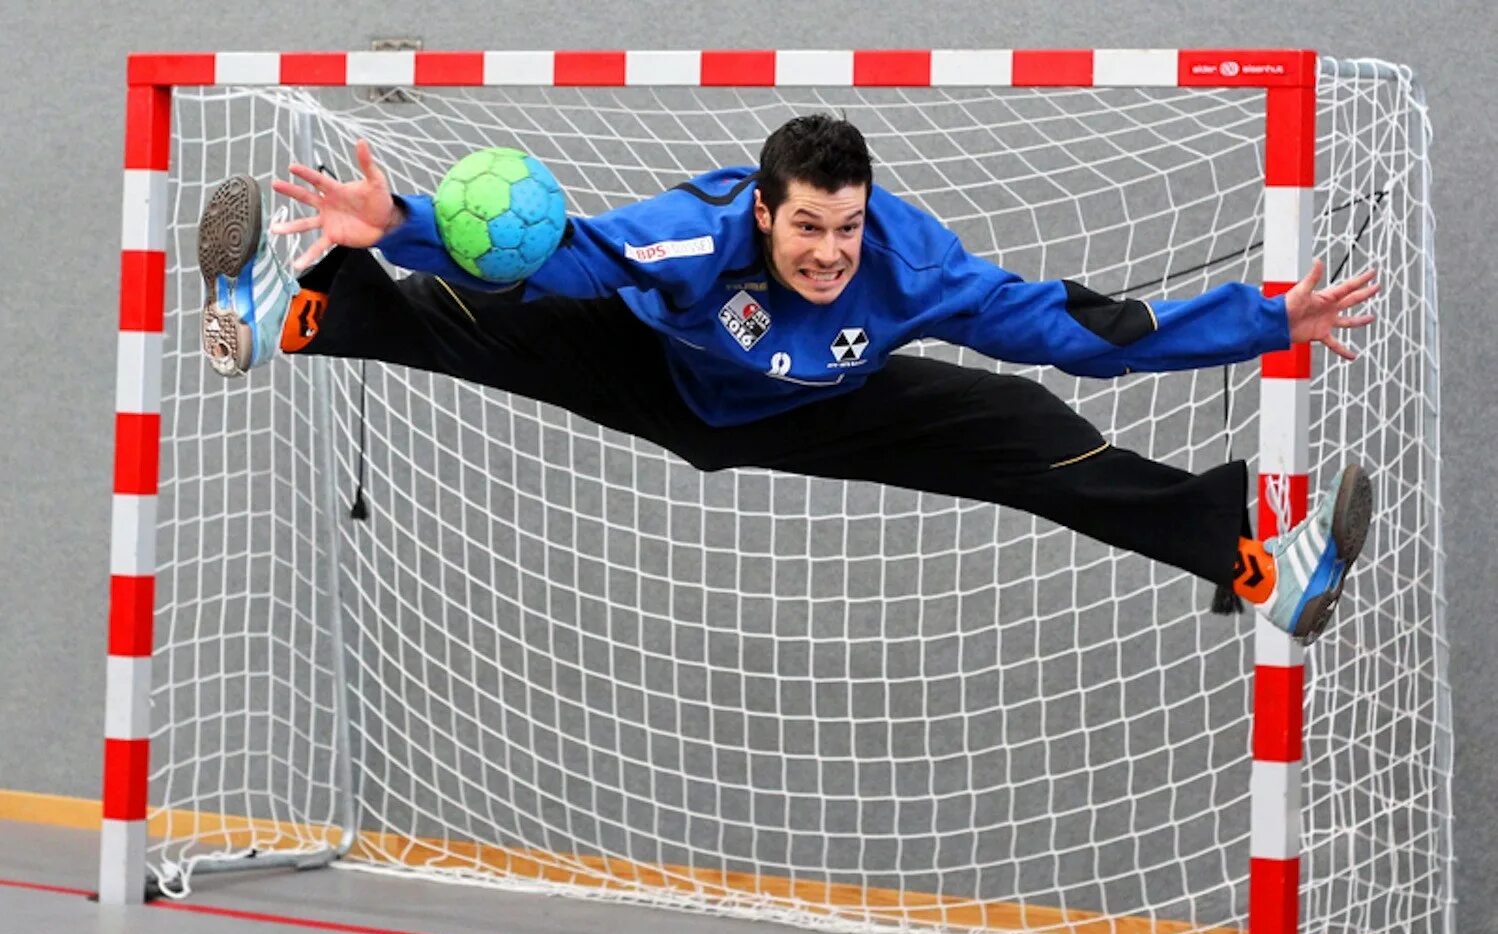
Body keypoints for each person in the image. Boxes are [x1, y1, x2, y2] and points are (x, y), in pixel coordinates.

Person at [196, 114, 1377, 643]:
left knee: (1030, 424)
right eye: (807, 227)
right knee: (512, 301)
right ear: (763, 210)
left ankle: (1249, 555)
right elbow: (572, 251)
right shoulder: (690, 233)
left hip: (833, 409)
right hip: (661, 372)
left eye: (847, 228)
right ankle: (302, 303)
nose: (828, 253)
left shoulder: (910, 268)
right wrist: (397, 219)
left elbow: (1081, 325)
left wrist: (1269, 321)